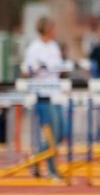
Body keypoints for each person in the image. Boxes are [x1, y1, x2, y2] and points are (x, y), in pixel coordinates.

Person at [22, 16, 67, 179]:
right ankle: (52, 171)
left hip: (56, 94)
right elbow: (27, 71)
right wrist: (38, 68)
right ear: (47, 29)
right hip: (43, 95)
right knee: (52, 134)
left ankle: (36, 158)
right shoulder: (34, 48)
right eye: (54, 28)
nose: (56, 31)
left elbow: (59, 68)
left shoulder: (54, 46)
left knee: (62, 132)